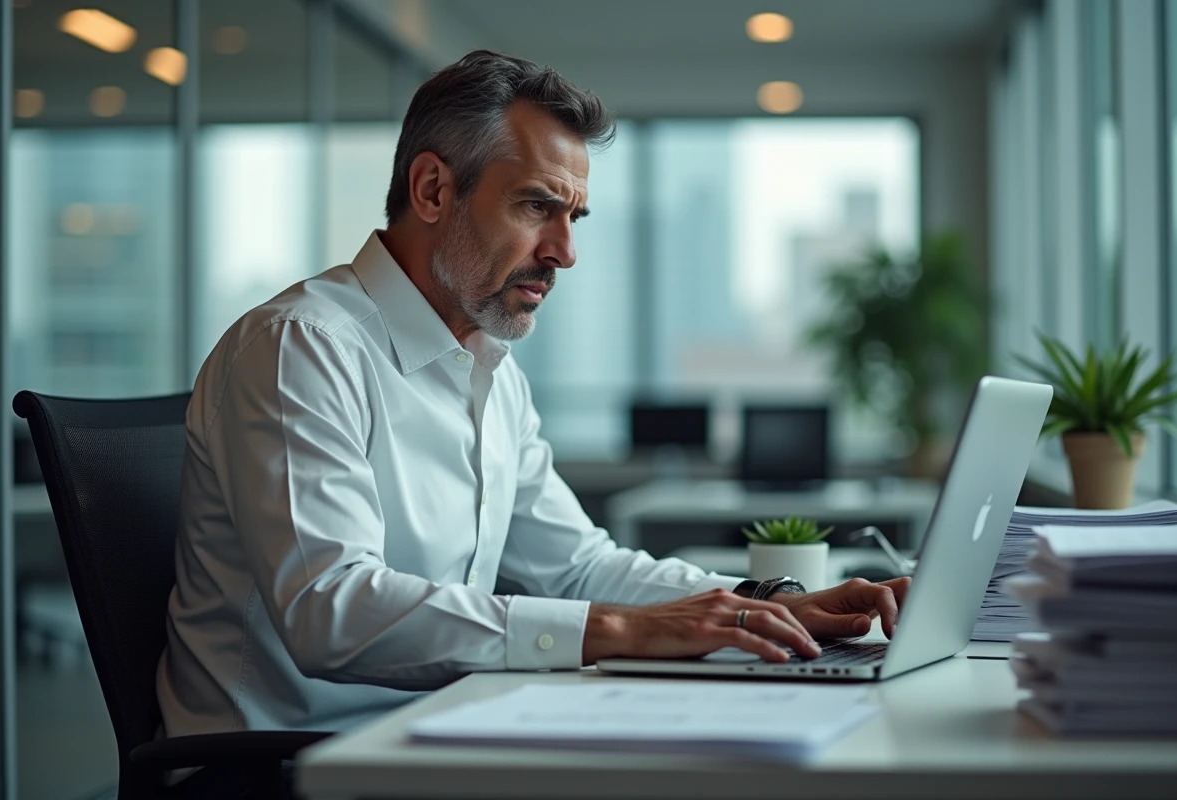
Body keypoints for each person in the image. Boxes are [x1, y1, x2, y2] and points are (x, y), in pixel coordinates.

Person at [157, 50, 910, 746]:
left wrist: (758, 602)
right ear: (432, 189)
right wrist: (617, 630)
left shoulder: (489, 366)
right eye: (534, 207)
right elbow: (332, 611)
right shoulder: (301, 346)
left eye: (572, 217)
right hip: (288, 762)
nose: (565, 252)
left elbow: (577, 568)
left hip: (440, 726)